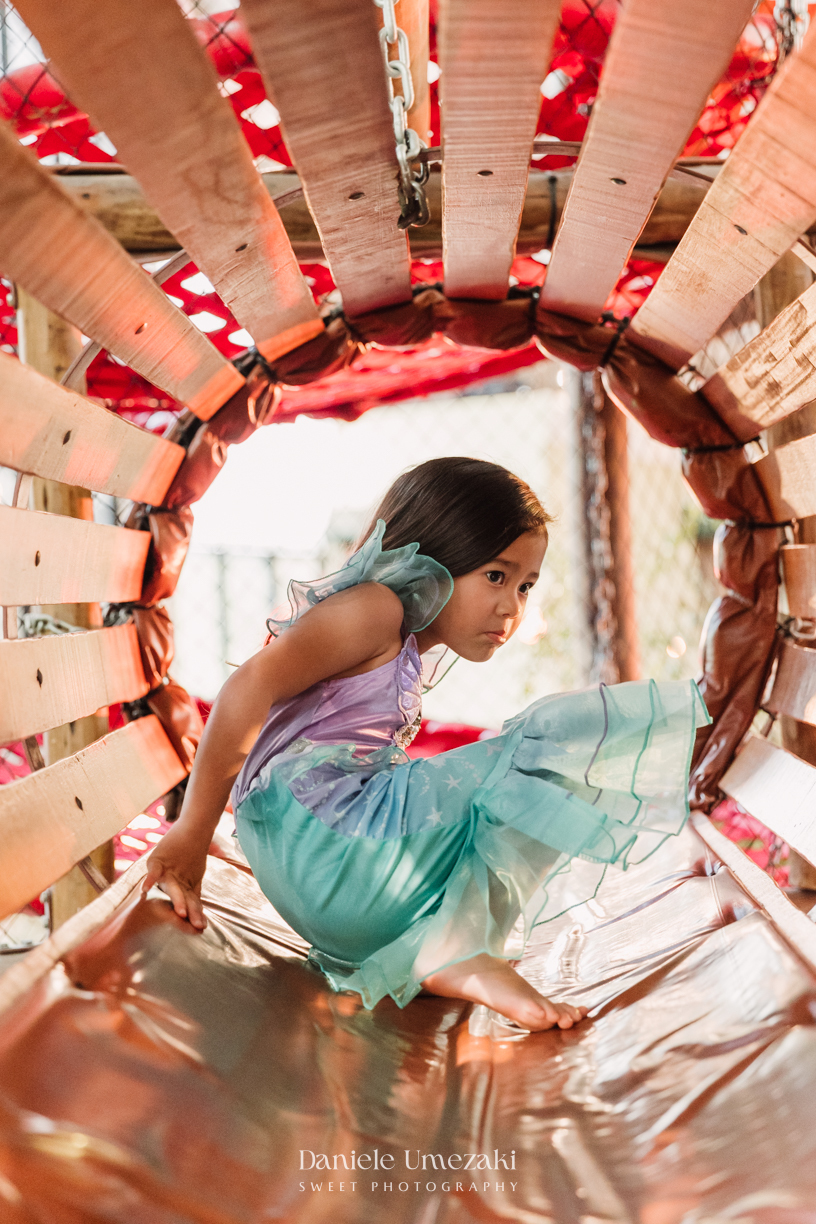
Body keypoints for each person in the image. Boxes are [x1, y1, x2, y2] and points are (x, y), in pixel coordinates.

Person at [143, 457, 709, 1032]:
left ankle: (457, 948)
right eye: (496, 576)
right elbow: (248, 686)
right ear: (437, 557)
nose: (512, 606)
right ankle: (462, 949)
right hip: (329, 851)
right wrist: (193, 830)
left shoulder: (397, 634)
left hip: (328, 883)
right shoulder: (375, 608)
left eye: (526, 586)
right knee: (557, 744)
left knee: (524, 776)